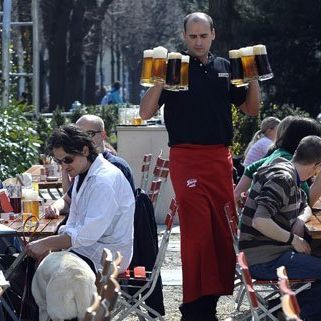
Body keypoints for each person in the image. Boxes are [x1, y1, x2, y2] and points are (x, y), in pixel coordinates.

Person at [140, 12, 261, 321]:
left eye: (202, 36)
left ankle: (208, 305)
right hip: (186, 157)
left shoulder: (225, 67)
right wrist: (158, 79)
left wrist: (254, 77)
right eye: (192, 36)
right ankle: (192, 307)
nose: (197, 41)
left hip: (219, 158)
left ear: (213, 35)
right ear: (185, 37)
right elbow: (145, 112)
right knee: (196, 232)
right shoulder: (173, 68)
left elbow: (250, 109)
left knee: (222, 230)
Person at [238, 136, 321, 321]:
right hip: (264, 259)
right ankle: (289, 313)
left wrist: (299, 219)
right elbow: (260, 220)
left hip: (268, 252)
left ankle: (282, 309)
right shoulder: (282, 178)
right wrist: (293, 240)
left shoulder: (288, 170)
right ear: (316, 166)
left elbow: (306, 204)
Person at [25, 125, 134, 273]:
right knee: (36, 262)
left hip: (108, 256)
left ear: (85, 151)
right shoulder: (83, 172)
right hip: (92, 247)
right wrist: (47, 244)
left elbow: (85, 236)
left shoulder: (103, 181)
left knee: (43, 268)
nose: (64, 167)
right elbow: (74, 217)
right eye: (59, 162)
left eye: (67, 159)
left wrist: (46, 244)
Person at [45, 115, 135, 218]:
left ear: (103, 135)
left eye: (89, 134)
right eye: (78, 135)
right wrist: (55, 208)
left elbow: (93, 225)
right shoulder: (84, 167)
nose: (83, 139)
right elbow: (69, 199)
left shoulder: (111, 168)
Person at [234, 116, 321, 207]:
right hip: (265, 220)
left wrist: (239, 191)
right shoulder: (290, 162)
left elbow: (251, 168)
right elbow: (307, 202)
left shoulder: (280, 153)